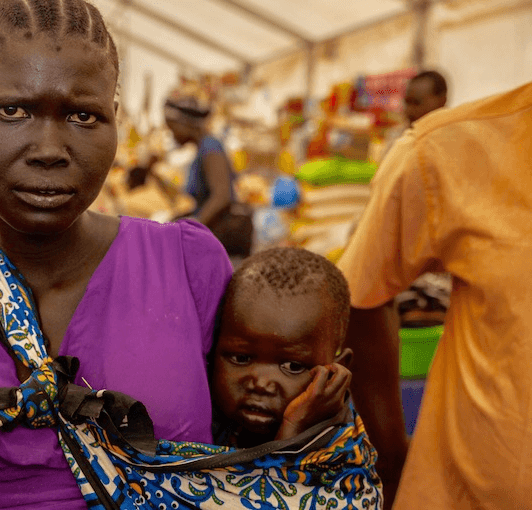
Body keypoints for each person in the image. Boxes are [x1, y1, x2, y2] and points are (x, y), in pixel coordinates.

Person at [0, 0, 233, 506]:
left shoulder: (188, 267)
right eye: (13, 111)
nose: (48, 148)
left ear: (115, 122)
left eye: (83, 115)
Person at [339, 80, 532, 509]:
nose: (409, 107)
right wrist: (386, 454)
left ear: (439, 97)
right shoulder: (441, 151)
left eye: (416, 100)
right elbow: (360, 292)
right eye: (406, 100)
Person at [211, 247, 353, 449]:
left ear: (335, 372)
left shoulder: (343, 450)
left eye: (292, 366)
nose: (260, 383)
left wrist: (293, 429)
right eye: (241, 358)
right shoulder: (199, 427)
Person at [163, 93, 251, 257]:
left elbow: (221, 195)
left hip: (223, 238)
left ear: (185, 123)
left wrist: (194, 226)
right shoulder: (202, 148)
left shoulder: (210, 146)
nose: (172, 134)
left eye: (172, 127)